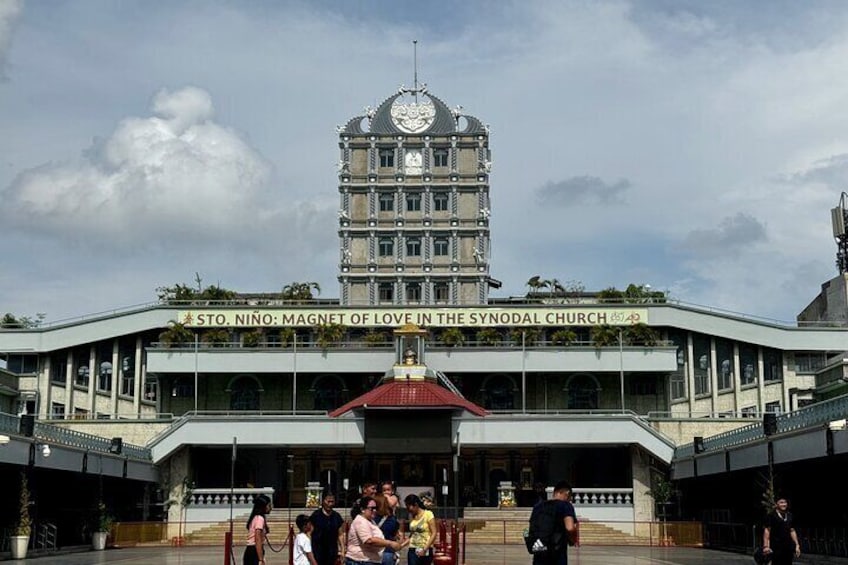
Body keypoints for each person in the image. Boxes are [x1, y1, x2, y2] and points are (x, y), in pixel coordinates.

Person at [345, 496, 405, 565]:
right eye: (372, 508)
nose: (374, 510)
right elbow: (369, 540)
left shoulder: (370, 521)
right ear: (362, 509)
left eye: (376, 508)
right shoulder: (360, 521)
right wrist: (390, 543)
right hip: (360, 561)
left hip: (370, 560)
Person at [529, 480, 578, 565]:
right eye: (570, 497)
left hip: (539, 552)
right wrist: (573, 539)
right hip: (557, 554)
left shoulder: (537, 507)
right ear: (566, 493)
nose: (570, 499)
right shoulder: (565, 506)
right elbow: (569, 528)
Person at [309, 491, 345, 565]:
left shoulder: (337, 516)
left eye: (332, 501)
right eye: (328, 501)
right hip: (318, 552)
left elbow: (340, 534)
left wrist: (343, 550)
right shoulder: (315, 516)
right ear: (323, 501)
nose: (330, 504)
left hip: (332, 552)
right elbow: (309, 533)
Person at [763, 496, 801, 565]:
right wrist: (766, 546)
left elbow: (792, 530)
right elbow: (767, 531)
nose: (784, 504)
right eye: (781, 502)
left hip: (788, 548)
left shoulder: (790, 515)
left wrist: (797, 545)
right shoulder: (771, 515)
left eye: (785, 502)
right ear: (776, 504)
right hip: (775, 547)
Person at [404, 494, 436, 565]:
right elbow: (412, 535)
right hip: (413, 549)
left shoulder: (428, 514)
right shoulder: (412, 516)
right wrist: (401, 545)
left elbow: (434, 533)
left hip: (425, 548)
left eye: (408, 507)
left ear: (415, 505)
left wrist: (425, 549)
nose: (408, 510)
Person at [244, 494, 271, 565]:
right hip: (254, 551)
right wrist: (260, 559)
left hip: (250, 550)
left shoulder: (255, 517)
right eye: (269, 505)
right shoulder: (260, 519)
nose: (270, 508)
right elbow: (257, 539)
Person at [374, 494, 402, 565]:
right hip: (388, 552)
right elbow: (396, 536)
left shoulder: (371, 518)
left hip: (373, 551)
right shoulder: (392, 519)